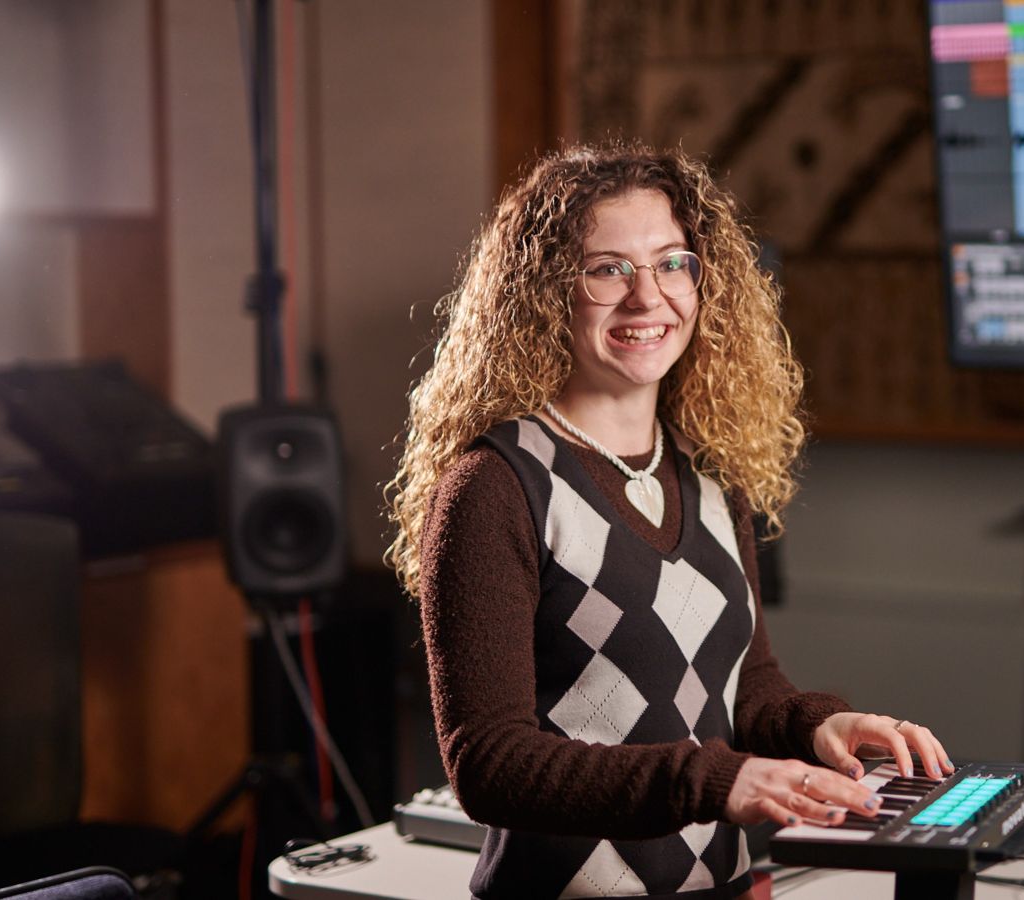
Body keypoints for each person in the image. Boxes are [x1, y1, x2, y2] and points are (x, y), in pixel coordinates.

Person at [384, 142, 953, 899]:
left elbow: (745, 683)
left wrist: (817, 728)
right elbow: (490, 764)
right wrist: (719, 780)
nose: (647, 298)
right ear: (545, 292)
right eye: (607, 268)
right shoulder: (494, 487)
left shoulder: (710, 472)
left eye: (672, 263)